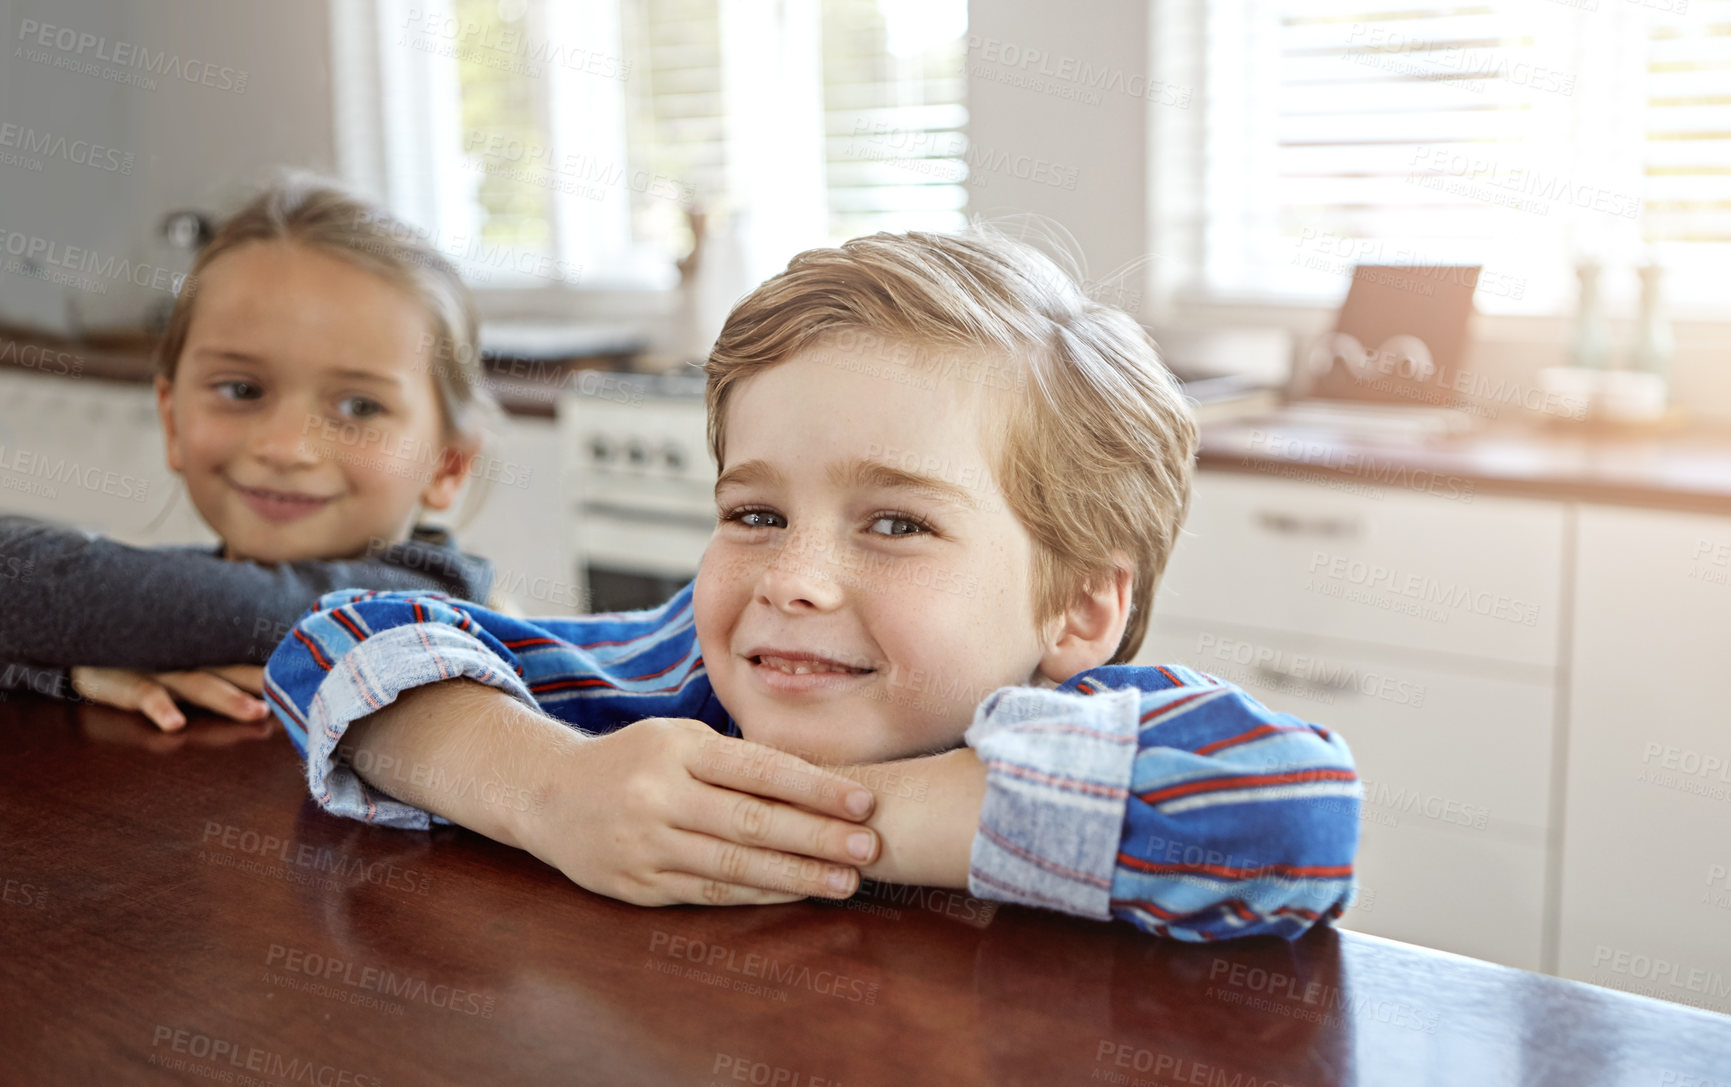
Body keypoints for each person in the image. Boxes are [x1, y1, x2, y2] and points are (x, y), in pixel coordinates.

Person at [264, 229, 1362, 940]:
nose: (791, 579)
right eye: (755, 513)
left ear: (1076, 606)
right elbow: (332, 641)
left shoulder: (1103, 733)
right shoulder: (683, 672)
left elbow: (1294, 813)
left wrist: (781, 823)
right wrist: (558, 792)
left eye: (895, 522)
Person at [0, 178, 495, 732]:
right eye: (241, 390)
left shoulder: (429, 610)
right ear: (173, 421)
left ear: (447, 464)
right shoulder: (158, 607)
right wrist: (71, 670)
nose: (285, 448)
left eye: (359, 406)